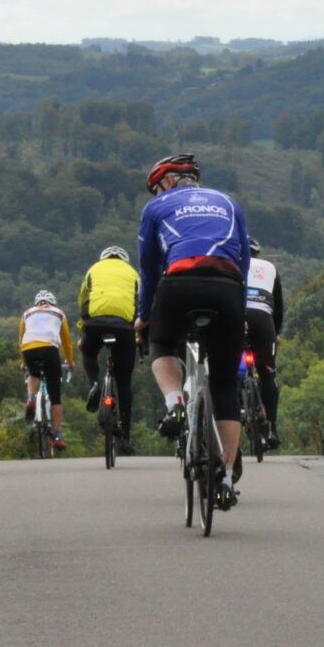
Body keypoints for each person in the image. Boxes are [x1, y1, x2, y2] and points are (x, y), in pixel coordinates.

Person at [135, 152, 249, 504]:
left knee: (161, 342)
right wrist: (239, 307)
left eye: (157, 188)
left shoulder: (156, 208)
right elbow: (244, 258)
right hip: (228, 288)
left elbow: (149, 268)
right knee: (225, 384)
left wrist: (144, 317)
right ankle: (225, 478)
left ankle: (175, 404)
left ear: (167, 182)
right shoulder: (229, 202)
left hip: (179, 284)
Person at [78, 245, 140, 455]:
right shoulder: (133, 273)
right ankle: (126, 437)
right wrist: (141, 334)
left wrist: (82, 330)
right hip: (124, 326)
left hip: (94, 323)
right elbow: (142, 303)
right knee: (124, 382)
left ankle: (95, 384)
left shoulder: (93, 269)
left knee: (88, 353)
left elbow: (82, 300)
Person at [19, 289, 75, 452]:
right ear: (53, 303)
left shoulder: (27, 313)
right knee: (55, 396)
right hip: (50, 349)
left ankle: (31, 398)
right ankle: (57, 436)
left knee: (33, 373)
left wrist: (23, 362)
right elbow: (66, 341)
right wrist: (70, 361)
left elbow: (21, 337)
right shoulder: (59, 313)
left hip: (29, 348)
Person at [243, 235, 284, 449]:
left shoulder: (231, 263)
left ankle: (234, 412)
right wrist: (276, 333)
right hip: (263, 318)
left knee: (228, 372)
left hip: (238, 315)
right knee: (268, 374)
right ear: (257, 253)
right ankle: (271, 429)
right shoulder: (269, 267)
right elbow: (278, 307)